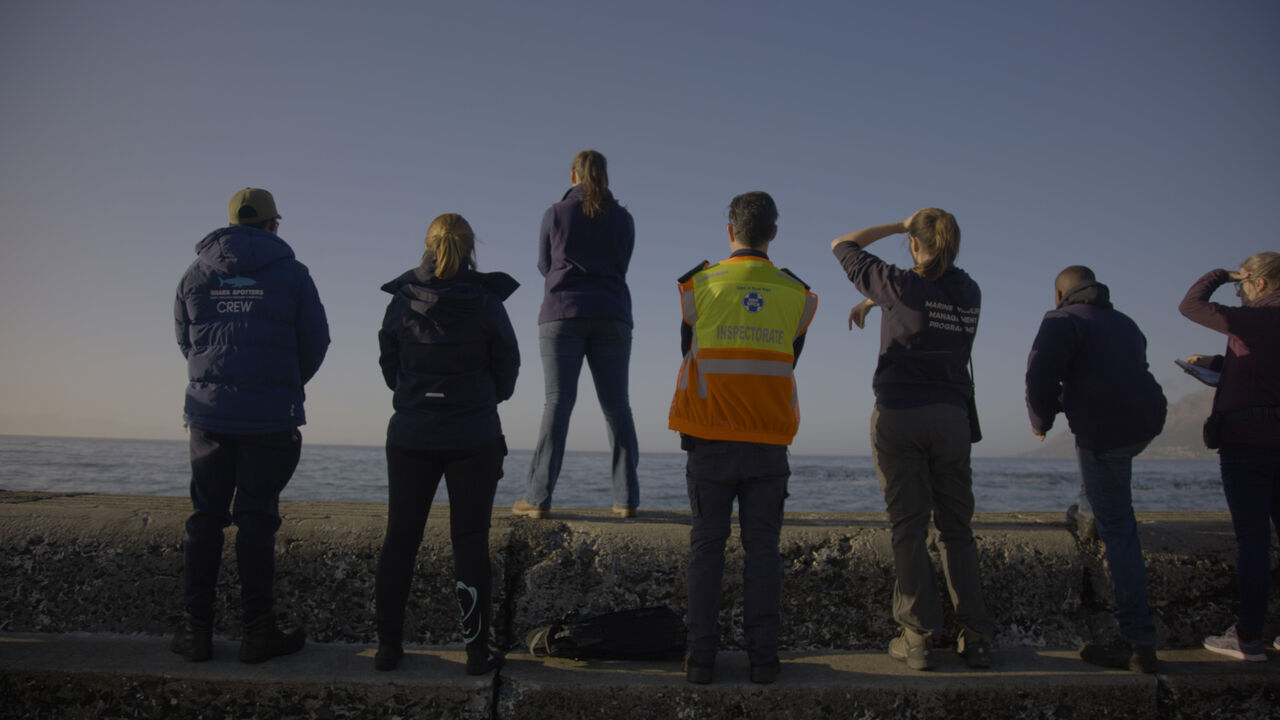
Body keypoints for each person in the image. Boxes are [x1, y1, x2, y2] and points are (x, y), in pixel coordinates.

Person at [831, 208, 995, 671]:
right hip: (951, 418)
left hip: (900, 416)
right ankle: (977, 636)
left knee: (908, 527)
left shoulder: (899, 284)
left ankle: (918, 637)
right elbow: (928, 307)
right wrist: (874, 303)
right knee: (957, 529)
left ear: (914, 244)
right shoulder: (969, 290)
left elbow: (843, 244)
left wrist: (899, 225)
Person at [172, 187, 330, 663]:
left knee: (205, 519)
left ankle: (196, 632)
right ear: (271, 226)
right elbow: (316, 342)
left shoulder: (195, 275)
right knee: (257, 520)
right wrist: (281, 382)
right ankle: (258, 631)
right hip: (269, 417)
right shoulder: (293, 275)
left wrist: (218, 382)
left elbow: (187, 342)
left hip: (210, 412)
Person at [670, 191, 818, 685]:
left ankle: (701, 660)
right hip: (768, 440)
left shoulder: (698, 286)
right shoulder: (798, 294)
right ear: (774, 233)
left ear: (728, 230)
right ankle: (763, 660)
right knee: (763, 552)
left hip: (710, 437)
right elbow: (791, 356)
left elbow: (687, 348)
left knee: (706, 548)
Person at [375, 214, 519, 674]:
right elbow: (507, 368)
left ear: (427, 245)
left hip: (411, 433)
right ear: (470, 248)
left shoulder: (401, 300)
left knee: (400, 539)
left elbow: (389, 362)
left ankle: (388, 648)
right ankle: (476, 652)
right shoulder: (486, 301)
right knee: (470, 542)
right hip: (472, 434)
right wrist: (479, 400)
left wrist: (417, 398)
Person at [1025, 265, 1167, 673]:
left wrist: (1040, 421)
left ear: (1059, 294)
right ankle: (1088, 512)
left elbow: (1040, 375)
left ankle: (1138, 642)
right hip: (1145, 421)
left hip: (1104, 432)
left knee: (1120, 528)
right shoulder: (1125, 322)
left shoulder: (1061, 320)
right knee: (1105, 480)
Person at [513, 150, 640, 519]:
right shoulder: (624, 218)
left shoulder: (555, 212)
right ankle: (626, 499)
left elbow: (543, 263)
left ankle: (537, 499)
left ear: (573, 176)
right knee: (617, 406)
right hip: (612, 313)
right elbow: (623, 263)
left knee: (557, 403)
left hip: (562, 312)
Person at [1179, 251, 1280, 662]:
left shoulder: (1258, 317)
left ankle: (1248, 637)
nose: (1238, 294)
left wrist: (1223, 274)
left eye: (1242, 286)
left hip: (1248, 443)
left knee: (1253, 541)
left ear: (1257, 283)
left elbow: (1190, 305)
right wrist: (1218, 364)